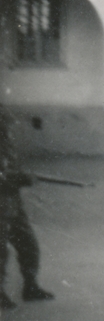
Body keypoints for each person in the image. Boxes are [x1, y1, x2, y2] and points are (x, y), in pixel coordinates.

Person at [0, 107, 54, 309]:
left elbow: (11, 169)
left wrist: (23, 176)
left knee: (28, 244)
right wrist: (20, 178)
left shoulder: (6, 143)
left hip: (12, 201)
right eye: (6, 125)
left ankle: (30, 286)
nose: (10, 129)